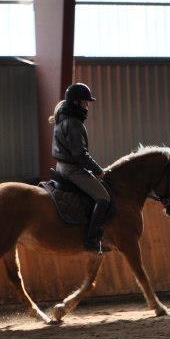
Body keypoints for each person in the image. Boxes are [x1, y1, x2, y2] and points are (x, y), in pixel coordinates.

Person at [50, 82, 111, 252]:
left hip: (61, 166)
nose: (87, 106)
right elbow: (80, 154)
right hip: (72, 170)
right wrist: (99, 171)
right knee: (103, 197)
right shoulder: (74, 123)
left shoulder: (62, 120)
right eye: (85, 102)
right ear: (76, 102)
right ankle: (91, 240)